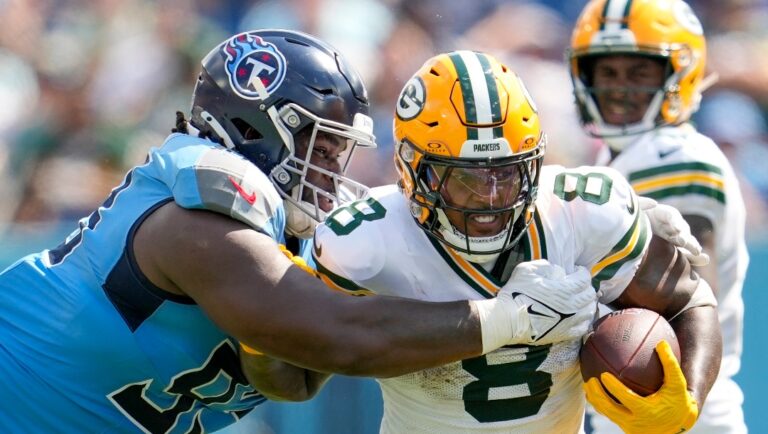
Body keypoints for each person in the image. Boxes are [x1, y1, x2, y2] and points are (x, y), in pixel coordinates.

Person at [0, 30, 598, 433]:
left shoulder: (272, 231)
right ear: (256, 126)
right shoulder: (197, 206)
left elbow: (291, 376)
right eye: (324, 144)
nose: (335, 170)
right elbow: (332, 336)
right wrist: (507, 318)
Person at [244, 50, 723, 433]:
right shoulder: (365, 240)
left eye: (508, 174)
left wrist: (688, 400)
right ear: (414, 171)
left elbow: (690, 301)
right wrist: (267, 324)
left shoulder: (586, 212)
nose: (490, 199)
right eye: (465, 180)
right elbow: (295, 380)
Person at [568, 0, 749, 432]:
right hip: (644, 396)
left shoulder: (671, 155)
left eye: (639, 72)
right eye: (607, 72)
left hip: (668, 393)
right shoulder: (625, 155)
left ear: (678, 73)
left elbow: (684, 292)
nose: (619, 88)